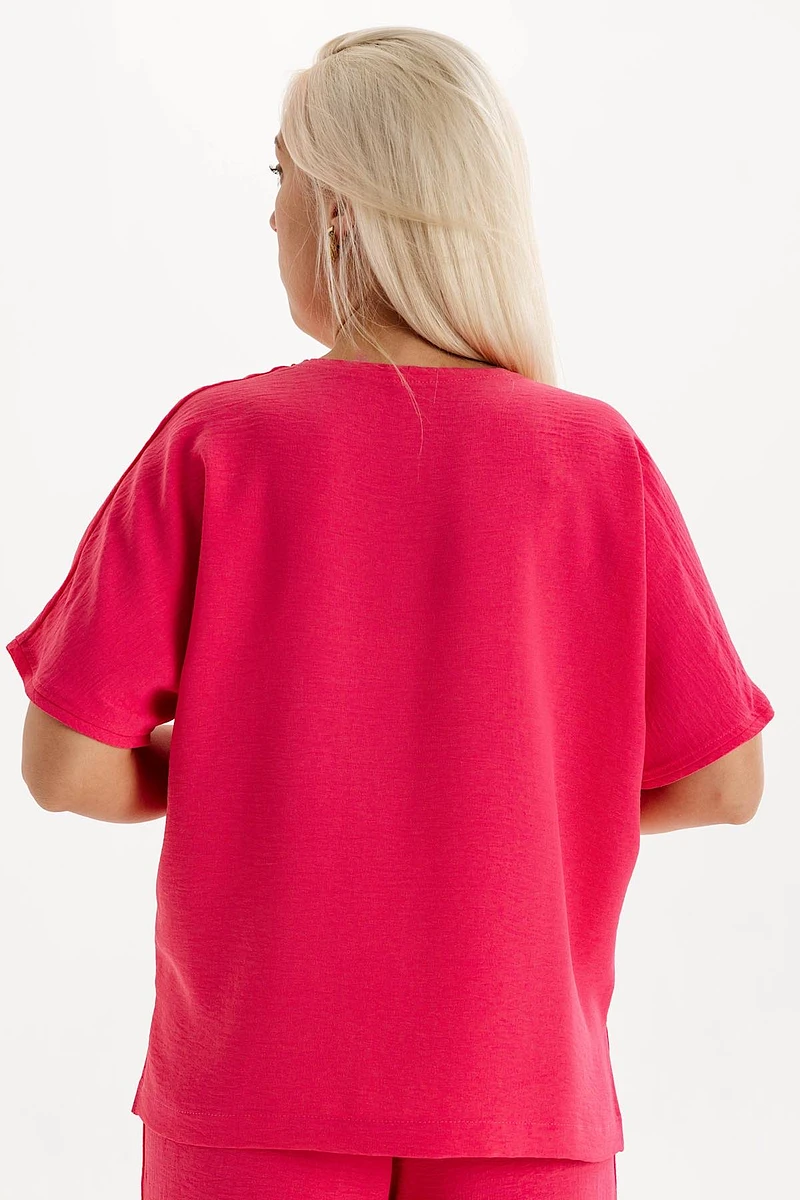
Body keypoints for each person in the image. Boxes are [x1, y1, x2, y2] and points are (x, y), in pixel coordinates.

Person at [7, 25, 774, 1200]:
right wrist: (515, 797)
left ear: (339, 212)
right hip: (522, 1095)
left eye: (280, 174)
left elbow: (66, 768)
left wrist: (235, 766)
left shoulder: (219, 445)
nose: (267, 213)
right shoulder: (593, 460)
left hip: (255, 1089)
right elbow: (723, 784)